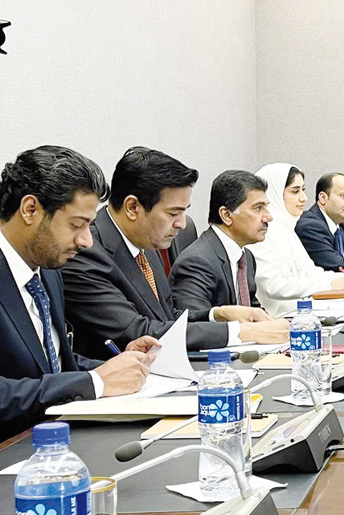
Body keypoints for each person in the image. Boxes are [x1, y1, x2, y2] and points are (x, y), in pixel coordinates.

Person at [61, 147, 286, 357]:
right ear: (133, 208)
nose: (182, 224)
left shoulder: (146, 243)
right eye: (173, 213)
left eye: (184, 212)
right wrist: (240, 333)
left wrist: (218, 314)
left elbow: (166, 317)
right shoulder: (85, 251)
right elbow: (137, 329)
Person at [0, 146, 154, 434]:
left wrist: (119, 364)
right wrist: (95, 381)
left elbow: (50, 364)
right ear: (30, 209)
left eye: (90, 226)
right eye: (76, 225)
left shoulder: (48, 270)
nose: (86, 242)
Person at [170, 171, 290, 346]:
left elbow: (252, 312)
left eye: (267, 207)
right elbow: (192, 328)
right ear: (226, 215)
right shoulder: (197, 261)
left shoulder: (245, 256)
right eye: (258, 208)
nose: (268, 217)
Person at [249, 163, 344, 316]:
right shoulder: (260, 233)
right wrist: (329, 284)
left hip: (301, 312)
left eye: (303, 190)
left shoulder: (287, 229)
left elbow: (310, 272)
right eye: (295, 191)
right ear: (272, 193)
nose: (304, 198)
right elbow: (273, 286)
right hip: (278, 319)